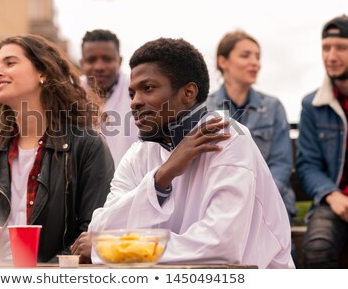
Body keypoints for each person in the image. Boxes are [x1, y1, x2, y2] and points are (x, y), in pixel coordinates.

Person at [72, 37, 294, 268]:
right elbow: (101, 230)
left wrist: (114, 249)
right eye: (132, 93)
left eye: (148, 88)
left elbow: (220, 246)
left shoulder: (229, 137)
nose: (135, 103)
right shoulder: (140, 152)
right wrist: (161, 178)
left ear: (188, 93)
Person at [0, 34, 115, 263]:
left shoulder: (87, 145)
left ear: (42, 73)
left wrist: (47, 272)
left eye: (10, 63)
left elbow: (94, 233)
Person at [207, 30, 297, 221]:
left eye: (257, 56)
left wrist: (255, 196)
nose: (255, 62)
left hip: (269, 201)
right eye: (245, 55)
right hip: (219, 203)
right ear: (223, 61)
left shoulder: (273, 107)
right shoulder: (205, 109)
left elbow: (281, 164)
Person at [296, 14, 348, 268]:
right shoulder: (312, 105)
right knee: (317, 248)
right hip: (334, 202)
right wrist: (331, 194)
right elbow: (307, 164)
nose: (331, 56)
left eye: (341, 47)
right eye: (326, 48)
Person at [80, 29, 139, 167]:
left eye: (107, 59)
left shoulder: (138, 90)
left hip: (131, 184)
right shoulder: (70, 92)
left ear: (119, 61)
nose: (99, 67)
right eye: (91, 60)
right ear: (82, 62)